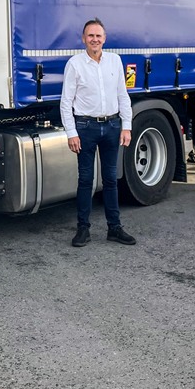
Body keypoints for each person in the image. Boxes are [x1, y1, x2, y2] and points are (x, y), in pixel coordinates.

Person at [59, 18, 136, 247]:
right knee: (86, 180)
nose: (95, 39)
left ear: (104, 38)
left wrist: (127, 126)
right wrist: (71, 133)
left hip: (112, 126)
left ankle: (115, 228)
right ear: (84, 39)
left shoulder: (115, 61)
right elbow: (66, 102)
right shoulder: (75, 64)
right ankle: (83, 229)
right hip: (86, 128)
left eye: (98, 36)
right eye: (90, 35)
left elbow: (123, 95)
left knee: (111, 179)